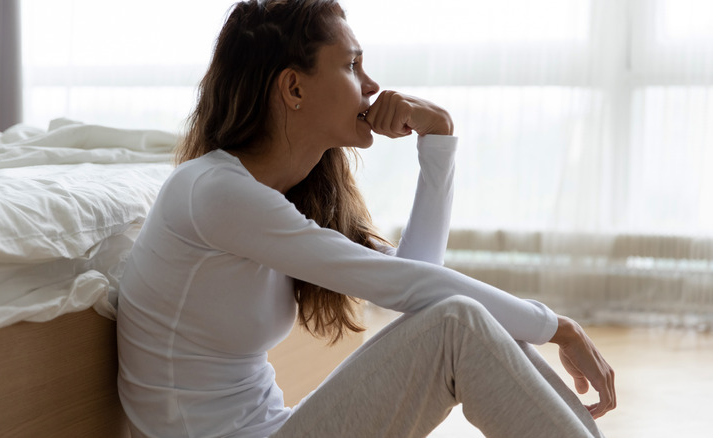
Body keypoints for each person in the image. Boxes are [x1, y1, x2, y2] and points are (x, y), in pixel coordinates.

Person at [115, 0, 616, 437]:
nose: (372, 85)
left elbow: (420, 279)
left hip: (276, 427)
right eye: (353, 65)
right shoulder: (215, 193)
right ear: (294, 88)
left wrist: (438, 141)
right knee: (457, 324)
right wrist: (558, 328)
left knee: (460, 320)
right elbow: (415, 290)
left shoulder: (283, 196)